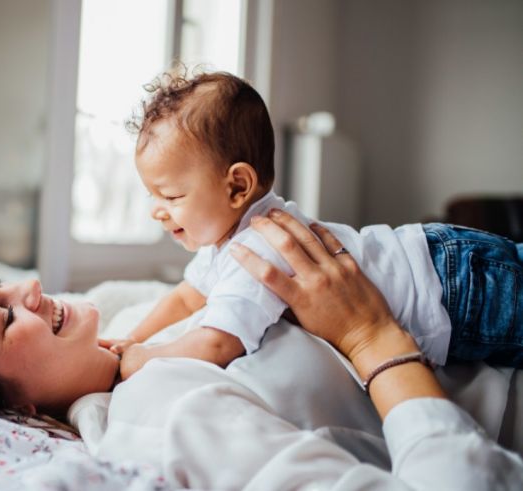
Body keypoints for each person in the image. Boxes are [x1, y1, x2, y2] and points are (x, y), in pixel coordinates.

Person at [0, 214, 522, 489]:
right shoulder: (162, 415)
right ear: (2, 405)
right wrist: (374, 341)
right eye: (2, 313)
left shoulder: (126, 327)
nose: (31, 286)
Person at [107, 69, 523, 380]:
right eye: (152, 195)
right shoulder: (226, 241)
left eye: (171, 196)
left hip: (454, 290)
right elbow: (186, 299)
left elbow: (216, 343)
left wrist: (145, 359)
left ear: (237, 186)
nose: (156, 211)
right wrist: (135, 337)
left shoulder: (259, 246)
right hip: (443, 264)